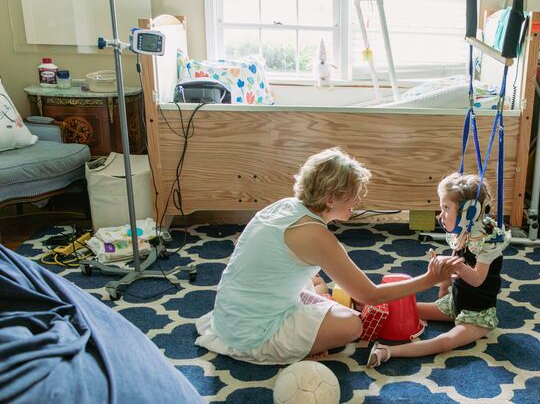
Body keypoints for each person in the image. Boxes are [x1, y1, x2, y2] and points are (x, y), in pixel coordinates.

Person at [194, 147, 462, 364]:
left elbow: (244, 243)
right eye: (353, 194)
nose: (357, 201)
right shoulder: (316, 235)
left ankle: (304, 331)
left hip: (229, 315)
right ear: (331, 198)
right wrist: (430, 278)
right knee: (352, 326)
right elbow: (369, 296)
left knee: (321, 290)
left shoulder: (283, 206)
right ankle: (298, 348)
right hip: (252, 333)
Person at [367, 172, 510, 367]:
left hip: (477, 315)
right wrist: (443, 288)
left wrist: (454, 265)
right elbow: (453, 266)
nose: (440, 215)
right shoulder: (462, 233)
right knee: (408, 310)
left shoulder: (487, 242)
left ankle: (388, 351)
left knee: (446, 341)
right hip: (455, 303)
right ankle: (361, 309)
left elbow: (477, 279)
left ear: (469, 212)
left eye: (445, 208)